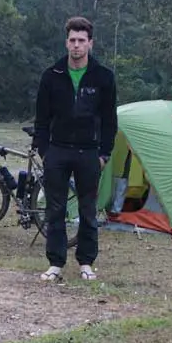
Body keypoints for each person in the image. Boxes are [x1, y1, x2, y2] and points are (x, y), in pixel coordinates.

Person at [31, 16, 117, 282]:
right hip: (57, 151)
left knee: (87, 210)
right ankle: (55, 263)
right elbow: (41, 119)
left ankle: (86, 263)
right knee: (54, 209)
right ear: (66, 42)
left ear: (90, 43)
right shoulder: (52, 75)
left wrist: (104, 154)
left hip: (89, 153)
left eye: (81, 41)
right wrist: (45, 151)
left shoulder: (103, 77)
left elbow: (109, 120)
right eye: (72, 40)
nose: (76, 46)